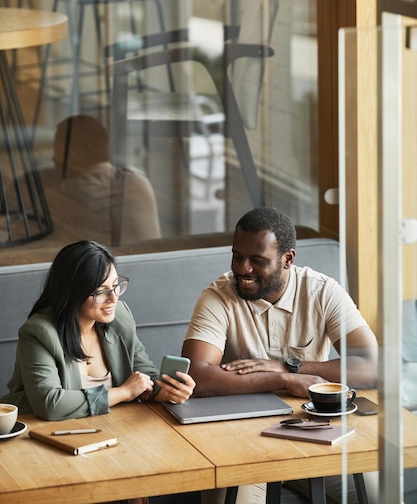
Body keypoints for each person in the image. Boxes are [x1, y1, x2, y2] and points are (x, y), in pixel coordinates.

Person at [182, 207, 378, 504]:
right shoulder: (218, 296)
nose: (243, 269)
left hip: (318, 435)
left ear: (288, 259)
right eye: (237, 256)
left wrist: (291, 366)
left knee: (380, 492)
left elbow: (371, 366)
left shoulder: (323, 291)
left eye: (258, 260)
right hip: (241, 442)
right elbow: (198, 375)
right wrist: (283, 380)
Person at [1, 240, 195, 504]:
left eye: (116, 286)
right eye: (101, 291)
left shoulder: (118, 317)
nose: (113, 298)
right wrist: (122, 392)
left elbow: (143, 373)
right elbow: (50, 403)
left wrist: (166, 390)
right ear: (73, 291)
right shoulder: (39, 333)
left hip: (109, 437)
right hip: (47, 445)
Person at [45, 114, 161, 246]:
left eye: (57, 151)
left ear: (74, 153)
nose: (53, 158)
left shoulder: (71, 192)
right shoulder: (138, 180)